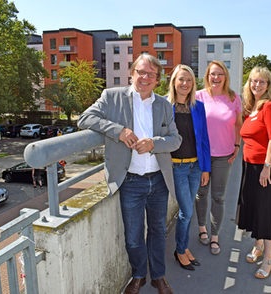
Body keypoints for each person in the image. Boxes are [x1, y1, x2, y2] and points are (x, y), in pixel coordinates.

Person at [77, 54, 181, 294]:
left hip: (158, 180)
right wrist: (119, 131)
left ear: (157, 80)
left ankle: (158, 276)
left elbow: (175, 140)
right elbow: (85, 118)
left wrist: (154, 143)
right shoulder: (112, 97)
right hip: (130, 181)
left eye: (151, 75)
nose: (145, 78)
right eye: (141, 72)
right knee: (133, 237)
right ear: (132, 73)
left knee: (157, 231)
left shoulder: (164, 105)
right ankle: (138, 275)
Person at [236, 66, 271, 279]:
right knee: (252, 204)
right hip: (249, 164)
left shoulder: (268, 107)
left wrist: (267, 168)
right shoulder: (250, 108)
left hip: (266, 165)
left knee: (265, 209)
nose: (257, 85)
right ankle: (258, 244)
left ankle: (269, 257)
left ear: (268, 85)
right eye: (254, 81)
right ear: (249, 83)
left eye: (262, 82)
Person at [195, 60, 243, 255]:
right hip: (202, 156)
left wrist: (237, 144)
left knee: (218, 197)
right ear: (207, 76)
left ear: (225, 77)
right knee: (201, 194)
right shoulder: (198, 96)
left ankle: (215, 235)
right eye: (212, 74)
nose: (216, 78)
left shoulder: (233, 98)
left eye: (219, 74)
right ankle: (201, 229)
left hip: (224, 156)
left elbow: (239, 124)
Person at [167, 64, 211, 271]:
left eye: (189, 80)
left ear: (193, 84)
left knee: (188, 212)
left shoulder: (198, 106)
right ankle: (180, 250)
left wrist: (205, 169)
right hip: (176, 168)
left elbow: (203, 140)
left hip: (195, 166)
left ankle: (183, 248)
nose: (185, 83)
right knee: (186, 211)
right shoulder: (166, 107)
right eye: (181, 79)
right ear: (174, 82)